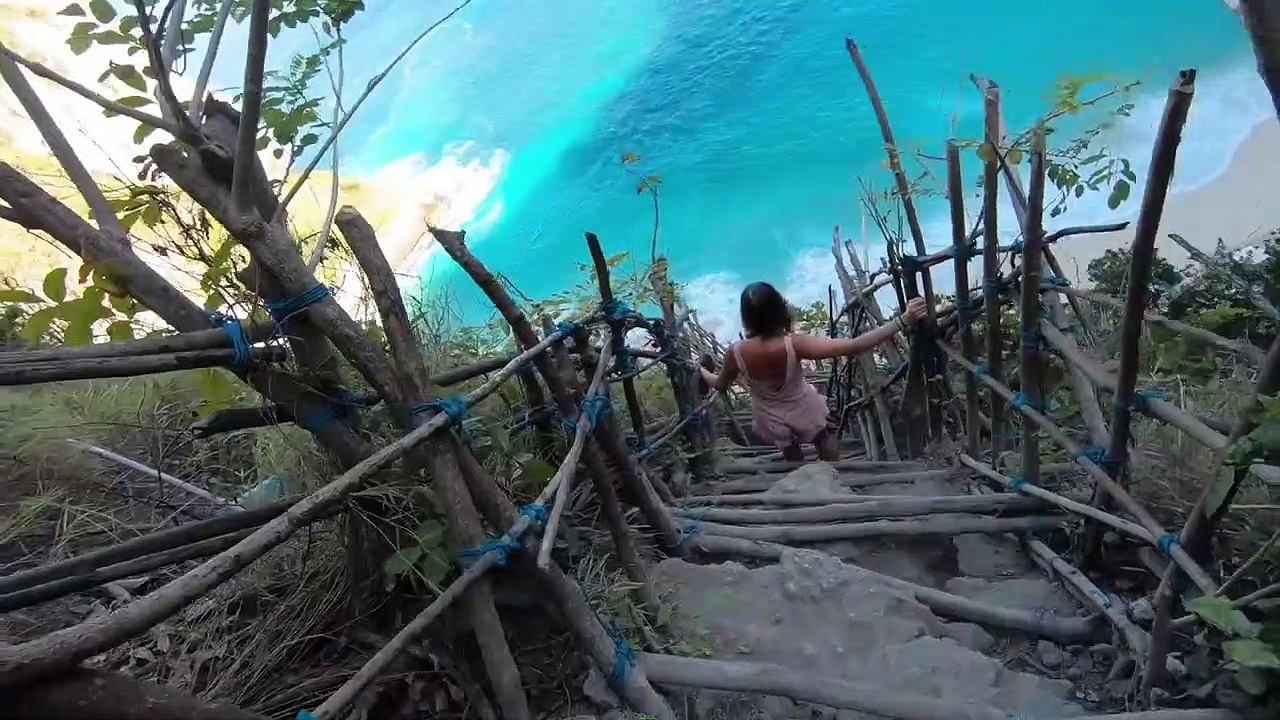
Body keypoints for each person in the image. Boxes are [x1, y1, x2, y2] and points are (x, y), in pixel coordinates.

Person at [700, 281, 928, 462]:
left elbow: (720, 384)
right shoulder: (792, 344)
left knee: (790, 451)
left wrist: (701, 372)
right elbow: (854, 345)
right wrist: (902, 320)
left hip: (769, 416)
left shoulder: (737, 352)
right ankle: (834, 478)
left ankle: (804, 488)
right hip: (804, 407)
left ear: (746, 317)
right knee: (823, 436)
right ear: (779, 309)